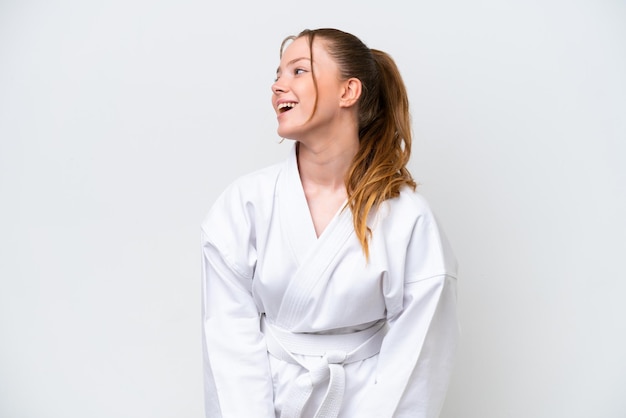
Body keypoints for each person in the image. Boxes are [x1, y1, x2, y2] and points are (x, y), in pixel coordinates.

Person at [201, 28, 459, 418]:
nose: (277, 86)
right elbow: (228, 339)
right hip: (267, 398)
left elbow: (418, 358)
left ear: (348, 91)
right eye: (277, 74)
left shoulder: (407, 217)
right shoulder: (245, 204)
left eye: (298, 71)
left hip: (368, 402)